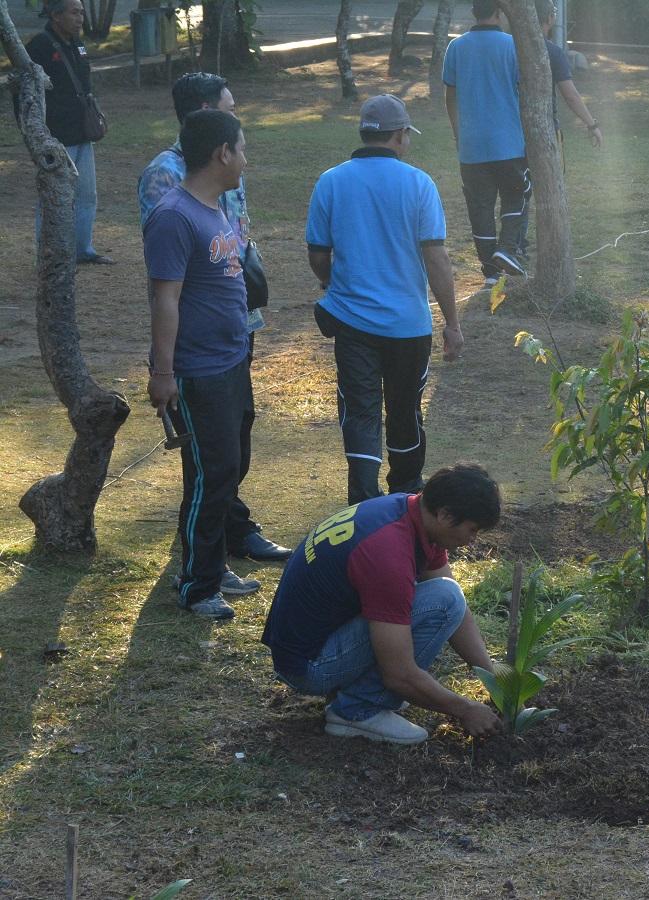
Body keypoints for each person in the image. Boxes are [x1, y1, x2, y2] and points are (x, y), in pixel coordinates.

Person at [138, 71, 292, 566]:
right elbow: (170, 273)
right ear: (207, 114)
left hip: (233, 327)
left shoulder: (224, 171)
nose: (237, 112)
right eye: (228, 106)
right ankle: (207, 556)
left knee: (232, 445)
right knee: (211, 454)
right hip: (198, 342)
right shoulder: (168, 179)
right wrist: (164, 368)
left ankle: (228, 530)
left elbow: (236, 236)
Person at [261, 464, 505, 745]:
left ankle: (356, 690)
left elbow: (457, 609)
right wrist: (465, 709)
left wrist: (492, 678)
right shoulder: (389, 554)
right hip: (309, 667)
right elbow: (398, 673)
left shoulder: (409, 511)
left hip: (310, 643)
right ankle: (356, 710)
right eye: (472, 530)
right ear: (445, 515)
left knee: (446, 595)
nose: (472, 540)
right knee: (442, 601)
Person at [306, 94, 463, 506]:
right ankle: (407, 495)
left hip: (353, 324)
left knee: (360, 412)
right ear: (399, 136)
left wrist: (331, 282)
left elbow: (318, 255)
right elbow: (436, 257)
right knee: (406, 410)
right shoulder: (418, 184)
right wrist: (453, 321)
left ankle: (361, 501)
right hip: (408, 327)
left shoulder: (331, 181)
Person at [145, 110, 255, 620]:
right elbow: (165, 299)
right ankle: (196, 584)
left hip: (229, 360)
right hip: (198, 370)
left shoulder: (212, 208)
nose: (246, 158)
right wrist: (163, 373)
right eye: (241, 147)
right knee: (214, 475)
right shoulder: (174, 215)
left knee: (220, 471)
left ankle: (210, 567)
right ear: (221, 154)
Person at [443, 0, 530, 287]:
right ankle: (506, 249)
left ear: (473, 13)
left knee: (479, 206)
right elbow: (525, 91)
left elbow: (450, 97)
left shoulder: (456, 47)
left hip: (471, 146)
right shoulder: (512, 46)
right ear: (499, 13)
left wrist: (458, 135)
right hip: (509, 142)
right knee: (517, 194)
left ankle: (490, 272)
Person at [24, 0, 111, 264]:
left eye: (82, 12)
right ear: (55, 15)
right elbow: (25, 92)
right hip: (55, 138)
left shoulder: (79, 45)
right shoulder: (38, 47)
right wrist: (36, 133)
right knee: (53, 197)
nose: (80, 18)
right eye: (74, 12)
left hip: (83, 134)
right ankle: (48, 254)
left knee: (86, 195)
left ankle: (82, 249)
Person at [535, 0, 602, 150]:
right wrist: (592, 125)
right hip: (545, 132)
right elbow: (571, 96)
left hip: (512, 133)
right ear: (550, 17)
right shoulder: (553, 52)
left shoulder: (510, 47)